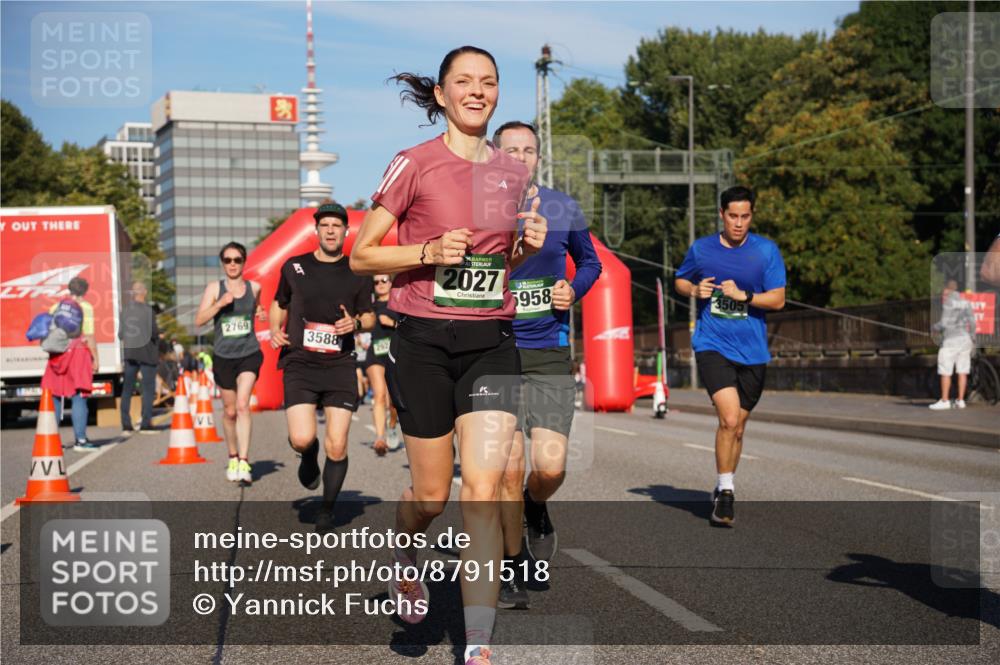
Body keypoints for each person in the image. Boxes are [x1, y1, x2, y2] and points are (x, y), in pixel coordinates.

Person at [350, 46, 546, 665]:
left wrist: (524, 250)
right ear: (440, 95)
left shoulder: (513, 175)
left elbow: (497, 263)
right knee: (432, 497)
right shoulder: (414, 165)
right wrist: (428, 252)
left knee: (484, 491)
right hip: (424, 344)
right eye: (463, 81)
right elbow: (362, 254)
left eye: (488, 82)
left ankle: (479, 640)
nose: (477, 91)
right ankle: (408, 546)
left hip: (492, 342)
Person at [492, 121, 602, 609]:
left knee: (549, 467)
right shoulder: (481, 209)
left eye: (528, 150)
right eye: (510, 150)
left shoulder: (562, 207)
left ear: (539, 157)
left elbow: (592, 264)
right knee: (508, 468)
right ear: (495, 155)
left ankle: (537, 507)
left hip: (549, 350)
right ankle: (513, 560)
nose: (519, 157)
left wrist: (571, 291)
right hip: (494, 352)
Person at [674, 185, 786, 527]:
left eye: (745, 217)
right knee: (729, 420)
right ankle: (726, 491)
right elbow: (680, 280)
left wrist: (744, 295)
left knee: (738, 428)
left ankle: (723, 482)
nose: (739, 223)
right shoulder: (702, 249)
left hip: (753, 351)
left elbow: (778, 299)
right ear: (721, 215)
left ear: (752, 216)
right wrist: (695, 289)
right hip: (712, 344)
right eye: (733, 216)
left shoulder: (765, 251)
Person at [269, 200, 375, 531]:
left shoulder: (357, 272)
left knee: (338, 443)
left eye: (337, 225)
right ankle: (307, 454)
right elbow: (278, 303)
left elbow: (370, 316)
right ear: (316, 230)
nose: (331, 230)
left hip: (340, 363)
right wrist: (275, 328)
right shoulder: (294, 266)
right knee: (302, 438)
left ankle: (327, 509)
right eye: (325, 225)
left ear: (346, 231)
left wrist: (355, 325)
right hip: (301, 361)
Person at [195, 242, 265, 483]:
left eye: (237, 259)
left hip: (249, 353)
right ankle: (233, 456)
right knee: (230, 411)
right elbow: (199, 320)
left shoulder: (254, 288)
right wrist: (219, 304)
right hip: (224, 356)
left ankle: (244, 462)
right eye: (228, 260)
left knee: (244, 404)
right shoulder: (215, 288)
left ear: (244, 262)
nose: (233, 264)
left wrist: (261, 313)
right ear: (223, 263)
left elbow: (258, 309)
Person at [43, 277, 98, 450]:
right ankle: (80, 440)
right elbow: (88, 336)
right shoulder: (86, 307)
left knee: (55, 396)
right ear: (85, 291)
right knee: (79, 395)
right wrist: (95, 358)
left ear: (69, 289)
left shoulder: (56, 306)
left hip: (57, 354)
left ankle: (51, 440)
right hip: (78, 354)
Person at [360, 274, 402, 456]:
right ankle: (379, 437)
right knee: (379, 395)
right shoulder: (369, 307)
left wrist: (392, 323)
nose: (380, 284)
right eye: (376, 282)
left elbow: (411, 328)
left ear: (391, 282)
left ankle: (392, 425)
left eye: (384, 280)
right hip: (375, 354)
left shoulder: (400, 303)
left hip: (396, 355)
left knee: (393, 402)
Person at [119, 281, 160, 434]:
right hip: (147, 354)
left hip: (130, 354)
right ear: (144, 293)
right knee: (148, 390)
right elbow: (154, 332)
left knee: (127, 389)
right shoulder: (148, 311)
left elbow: (120, 334)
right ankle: (146, 423)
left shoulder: (125, 311)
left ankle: (126, 424)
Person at [929, 279, 976, 410]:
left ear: (949, 290)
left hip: (951, 340)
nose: (943, 296)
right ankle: (960, 400)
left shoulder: (949, 302)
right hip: (965, 339)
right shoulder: (966, 303)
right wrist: (972, 337)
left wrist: (934, 327)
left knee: (945, 371)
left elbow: (944, 323)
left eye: (944, 293)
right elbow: (972, 323)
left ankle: (945, 400)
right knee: (962, 371)